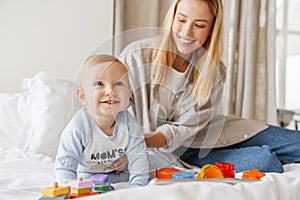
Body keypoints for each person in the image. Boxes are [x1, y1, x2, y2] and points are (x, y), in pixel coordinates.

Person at [118, 0, 300, 173]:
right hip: (185, 152)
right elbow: (109, 114)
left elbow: (188, 126)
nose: (187, 32)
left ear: (212, 29)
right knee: (265, 161)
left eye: (199, 25)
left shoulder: (215, 71)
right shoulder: (135, 58)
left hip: (216, 132)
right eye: (181, 20)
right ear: (172, 18)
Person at [55, 54, 149, 187]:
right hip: (89, 175)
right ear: (83, 96)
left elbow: (139, 162)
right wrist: (70, 191)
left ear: (129, 95)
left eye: (118, 84)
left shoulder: (128, 123)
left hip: (121, 174)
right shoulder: (79, 126)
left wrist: (136, 190)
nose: (110, 91)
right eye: (99, 84)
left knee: (153, 163)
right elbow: (65, 166)